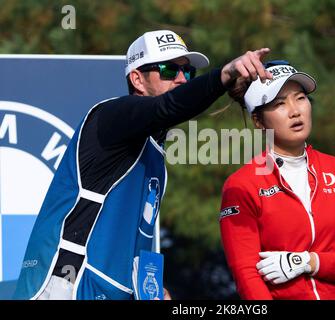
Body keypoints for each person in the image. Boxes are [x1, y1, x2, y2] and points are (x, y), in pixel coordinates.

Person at [14, 29, 272, 300]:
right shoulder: (111, 117)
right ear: (137, 79)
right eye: (169, 70)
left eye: (188, 72)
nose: (182, 79)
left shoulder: (155, 151)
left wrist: (153, 288)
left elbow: (139, 234)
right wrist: (225, 75)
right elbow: (170, 107)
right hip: (66, 284)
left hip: (107, 289)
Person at [220, 60, 335, 300]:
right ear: (258, 121)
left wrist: (308, 261)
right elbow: (247, 277)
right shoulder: (241, 184)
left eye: (300, 98)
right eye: (279, 104)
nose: (295, 110)